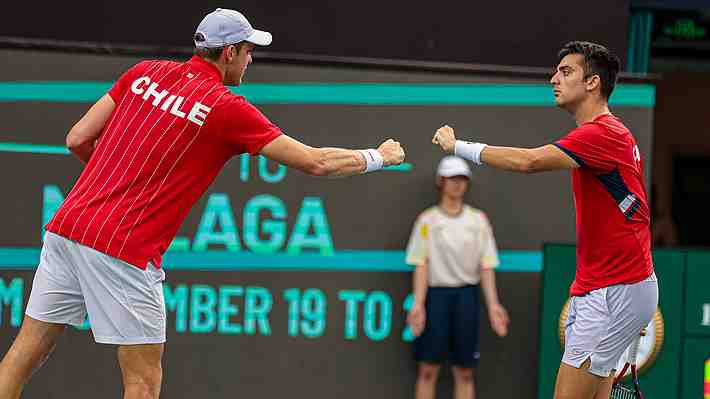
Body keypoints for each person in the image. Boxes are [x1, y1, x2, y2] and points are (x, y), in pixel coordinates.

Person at [0, 8, 404, 399]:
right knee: (143, 381)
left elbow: (77, 138)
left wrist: (122, 181)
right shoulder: (227, 109)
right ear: (229, 53)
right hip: (123, 248)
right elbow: (315, 162)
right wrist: (379, 157)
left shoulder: (143, 73)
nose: (250, 61)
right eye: (247, 52)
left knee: (25, 352)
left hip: (67, 229)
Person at [431, 41, 657, 399]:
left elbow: (529, 162)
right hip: (615, 283)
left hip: (615, 286)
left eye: (566, 71)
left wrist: (459, 146)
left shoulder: (603, 134)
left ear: (592, 83)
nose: (554, 79)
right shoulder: (612, 134)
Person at [405, 155, 509, 399]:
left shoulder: (478, 220)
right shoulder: (427, 221)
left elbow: (486, 265)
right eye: (452, 178)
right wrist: (418, 304)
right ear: (441, 181)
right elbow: (421, 263)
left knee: (464, 372)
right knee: (428, 369)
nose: (457, 183)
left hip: (466, 298)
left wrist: (493, 305)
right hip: (436, 297)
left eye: (462, 178)